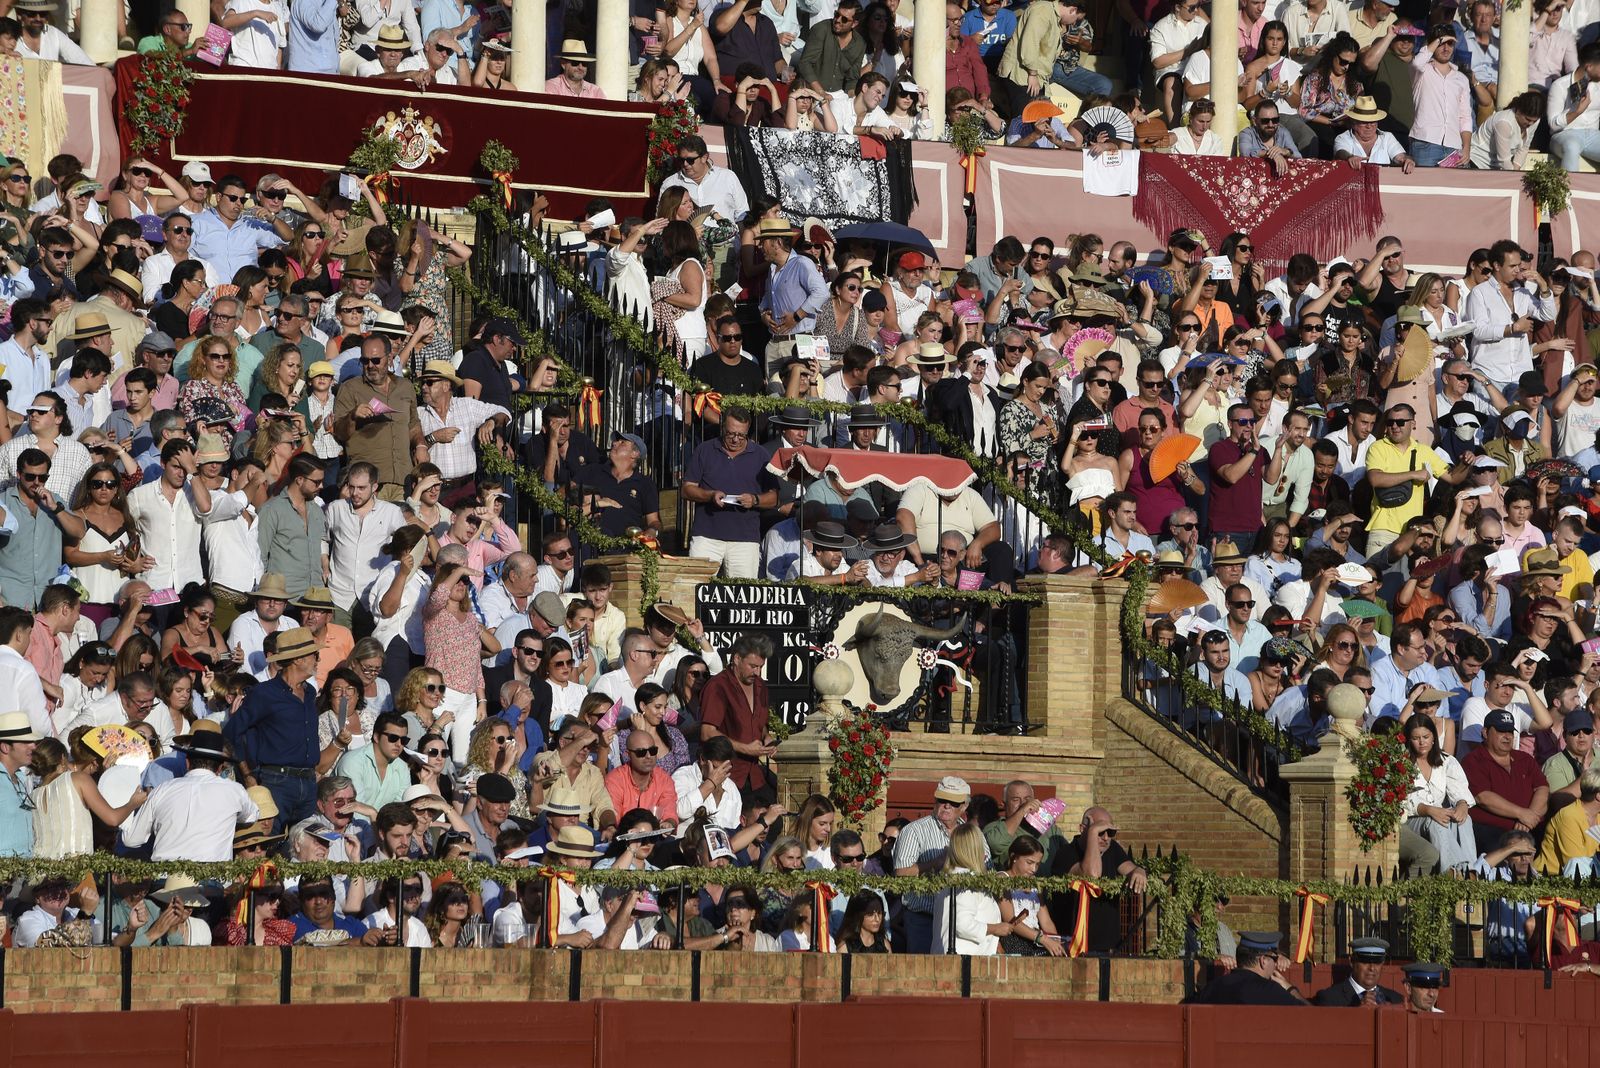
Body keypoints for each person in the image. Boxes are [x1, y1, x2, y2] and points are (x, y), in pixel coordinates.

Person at [119, 730, 258, 861]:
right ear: (221, 767)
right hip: (213, 880)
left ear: (187, 762)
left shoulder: (162, 790)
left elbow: (131, 839)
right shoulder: (234, 790)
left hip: (166, 878)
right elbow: (252, 815)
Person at [1187, 931, 1307, 1004]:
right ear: (1263, 961)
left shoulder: (1212, 987)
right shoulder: (1270, 990)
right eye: (1274, 959)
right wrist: (1290, 988)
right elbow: (1312, 1014)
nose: (1276, 965)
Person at [1310, 936, 1404, 1005]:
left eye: (1377, 962)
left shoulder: (1396, 999)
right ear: (1352, 961)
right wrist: (1357, 1013)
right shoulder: (1330, 998)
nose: (1372, 968)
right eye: (1365, 961)